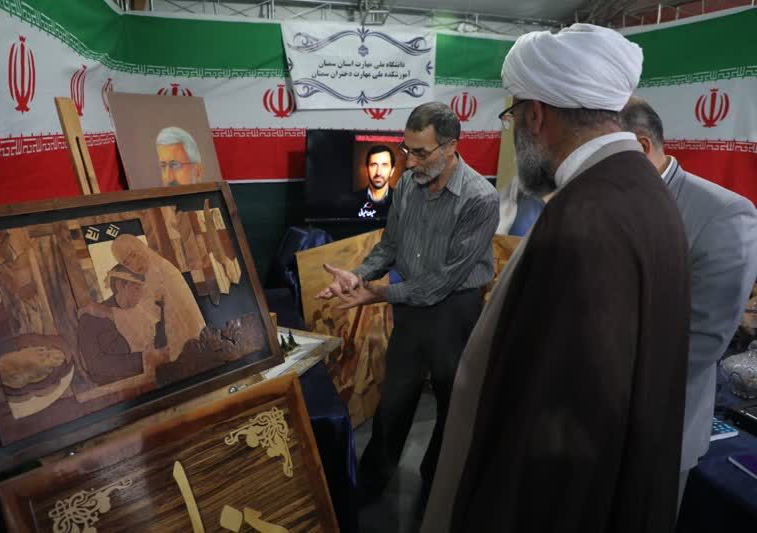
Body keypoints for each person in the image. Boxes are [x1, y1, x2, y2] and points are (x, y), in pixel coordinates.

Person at [422, 24, 691, 533]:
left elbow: (557, 432)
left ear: (536, 116)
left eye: (512, 117)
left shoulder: (585, 218)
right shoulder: (643, 190)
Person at [316, 101, 500, 503]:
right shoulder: (407, 187)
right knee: (395, 399)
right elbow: (390, 246)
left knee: (452, 405)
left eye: (420, 152)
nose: (410, 162)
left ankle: (436, 488)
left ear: (450, 147)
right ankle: (371, 485)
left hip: (455, 311)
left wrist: (378, 293)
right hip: (411, 308)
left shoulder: (480, 199)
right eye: (406, 149)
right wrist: (358, 275)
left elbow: (443, 281)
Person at [621, 97, 757, 507]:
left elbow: (701, 342)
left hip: (654, 428)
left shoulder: (722, 213)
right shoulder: (603, 201)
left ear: (641, 146)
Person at [110, 234, 206, 360]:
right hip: (174, 342)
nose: (134, 264)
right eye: (126, 263)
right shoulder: (144, 282)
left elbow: (188, 312)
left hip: (191, 335)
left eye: (133, 254)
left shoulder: (166, 270)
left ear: (141, 247)